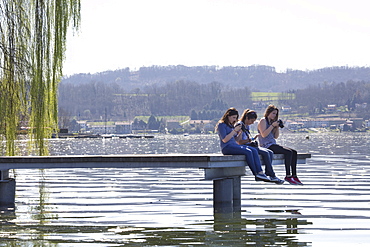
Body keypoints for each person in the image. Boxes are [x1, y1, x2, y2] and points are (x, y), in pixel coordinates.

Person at [215, 107, 270, 182]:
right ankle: (255, 174)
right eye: (233, 117)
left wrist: (240, 131)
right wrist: (234, 130)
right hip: (227, 148)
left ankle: (260, 172)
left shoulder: (231, 125)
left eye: (236, 118)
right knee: (248, 152)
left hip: (234, 146)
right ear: (228, 116)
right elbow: (225, 140)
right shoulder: (221, 125)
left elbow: (237, 140)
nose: (234, 120)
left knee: (253, 150)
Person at [257, 104, 303, 185]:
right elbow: (263, 134)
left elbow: (275, 136)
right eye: (273, 113)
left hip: (273, 144)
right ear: (268, 113)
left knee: (294, 152)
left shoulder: (272, 122)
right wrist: (272, 126)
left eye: (276, 114)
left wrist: (277, 127)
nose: (275, 116)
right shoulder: (263, 120)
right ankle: (288, 175)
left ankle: (294, 176)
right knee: (288, 152)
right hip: (266, 146)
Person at [236, 109, 284, 184]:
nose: (252, 123)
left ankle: (269, 173)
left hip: (249, 145)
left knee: (270, 152)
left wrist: (252, 139)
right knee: (265, 153)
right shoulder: (240, 125)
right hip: (244, 146)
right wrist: (249, 141)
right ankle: (268, 174)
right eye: (251, 121)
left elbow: (246, 139)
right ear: (247, 118)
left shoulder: (247, 126)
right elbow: (238, 142)